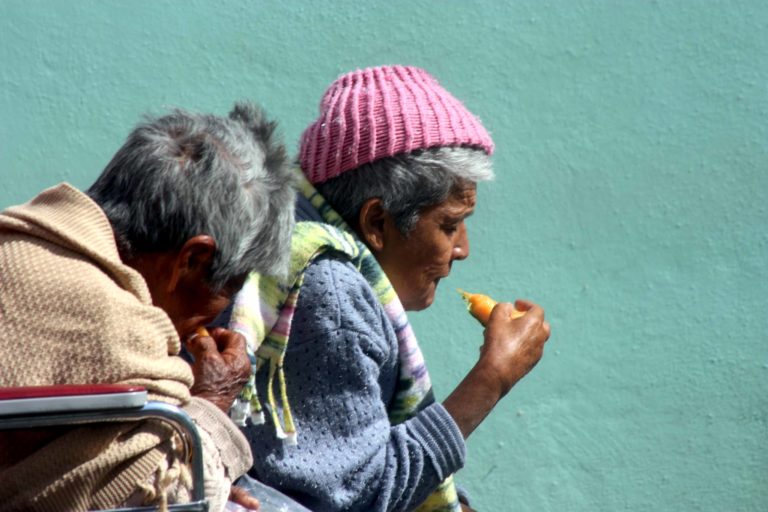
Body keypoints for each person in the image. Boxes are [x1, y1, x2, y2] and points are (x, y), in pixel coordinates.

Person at [223, 65, 552, 512]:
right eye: (450, 225)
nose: (463, 250)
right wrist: (491, 378)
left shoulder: (296, 242)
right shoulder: (327, 290)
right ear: (377, 222)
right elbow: (362, 499)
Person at [0, 103, 295, 512]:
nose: (219, 316)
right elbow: (167, 498)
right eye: (231, 288)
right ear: (192, 260)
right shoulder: (115, 326)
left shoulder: (19, 240)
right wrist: (211, 406)